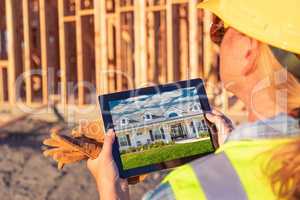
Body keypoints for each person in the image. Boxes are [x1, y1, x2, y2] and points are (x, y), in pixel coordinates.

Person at [87, 0, 300, 199]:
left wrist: (111, 190)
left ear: (249, 50)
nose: (217, 40)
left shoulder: (187, 189)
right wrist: (229, 151)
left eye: (221, 28)